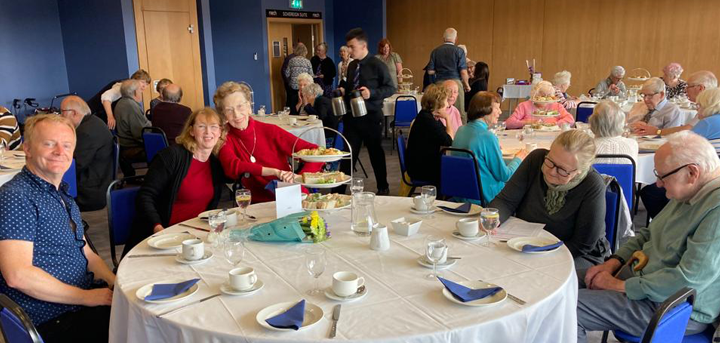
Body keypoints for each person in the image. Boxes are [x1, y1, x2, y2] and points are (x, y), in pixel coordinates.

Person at [576, 131, 720, 342]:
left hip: (674, 307)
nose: (658, 184)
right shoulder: (690, 190)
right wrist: (613, 263)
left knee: (567, 307)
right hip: (644, 283)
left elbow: (686, 281)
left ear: (692, 172)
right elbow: (647, 234)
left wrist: (618, 285)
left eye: (662, 177)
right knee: (561, 282)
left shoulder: (715, 208)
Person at [0, 114, 115, 342]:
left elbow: (88, 254)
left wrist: (115, 283)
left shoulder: (62, 195)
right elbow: (17, 275)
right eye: (49, 143)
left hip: (81, 303)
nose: (59, 151)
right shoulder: (16, 197)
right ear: (28, 149)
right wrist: (87, 297)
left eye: (67, 145)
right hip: (53, 319)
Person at [488, 130, 610, 269]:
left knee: (531, 277)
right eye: (550, 161)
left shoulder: (592, 184)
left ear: (579, 171)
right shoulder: (536, 160)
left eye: (562, 170)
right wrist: (492, 218)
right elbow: (506, 201)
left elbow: (583, 244)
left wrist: (540, 256)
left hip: (575, 254)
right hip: (527, 243)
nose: (551, 172)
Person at [123, 108, 228, 254]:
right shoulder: (171, 157)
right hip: (164, 238)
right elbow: (145, 196)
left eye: (213, 127)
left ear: (220, 132)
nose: (208, 132)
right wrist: (159, 229)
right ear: (191, 131)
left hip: (195, 239)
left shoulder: (215, 164)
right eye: (201, 126)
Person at [216, 82, 322, 203]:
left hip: (290, 195)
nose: (236, 114)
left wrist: (301, 177)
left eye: (240, 106)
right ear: (223, 115)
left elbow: (316, 151)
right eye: (229, 110)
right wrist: (273, 172)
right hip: (255, 204)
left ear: (249, 107)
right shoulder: (224, 138)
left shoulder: (270, 131)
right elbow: (232, 167)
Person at [338, 28, 396, 195]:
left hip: (371, 116)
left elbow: (391, 88)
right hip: (352, 117)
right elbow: (351, 87)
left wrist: (372, 93)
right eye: (348, 47)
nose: (349, 50)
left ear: (363, 46)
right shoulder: (352, 65)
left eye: (352, 47)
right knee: (348, 154)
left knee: (375, 153)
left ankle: (383, 188)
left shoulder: (378, 65)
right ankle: (340, 191)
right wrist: (344, 90)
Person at [453, 92, 528, 204]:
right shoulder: (487, 137)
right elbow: (505, 175)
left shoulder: (461, 130)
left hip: (461, 193)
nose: (500, 112)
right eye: (497, 108)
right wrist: (519, 158)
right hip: (486, 196)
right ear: (485, 110)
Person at [59, 96, 114, 211]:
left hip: (89, 191)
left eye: (62, 112)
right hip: (98, 182)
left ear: (73, 113)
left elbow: (74, 166)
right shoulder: (93, 123)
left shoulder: (86, 132)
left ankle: (65, 226)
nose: (60, 116)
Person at [631, 71, 717, 137]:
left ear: (700, 88)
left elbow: (686, 131)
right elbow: (687, 128)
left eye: (688, 86)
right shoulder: (708, 108)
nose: (685, 89)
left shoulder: (709, 114)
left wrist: (657, 131)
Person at [405, 84, 454, 187]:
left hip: (422, 163)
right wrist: (448, 118)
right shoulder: (427, 120)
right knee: (456, 170)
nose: (447, 105)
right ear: (438, 103)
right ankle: (446, 198)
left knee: (453, 166)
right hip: (421, 169)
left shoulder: (427, 115)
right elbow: (449, 141)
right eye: (446, 101)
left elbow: (445, 134)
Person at [427, 28, 470, 123]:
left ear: (443, 38)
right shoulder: (459, 51)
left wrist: (440, 70)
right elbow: (463, 71)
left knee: (439, 109)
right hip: (456, 83)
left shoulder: (435, 51)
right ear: (456, 38)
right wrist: (467, 85)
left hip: (440, 84)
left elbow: (430, 71)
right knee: (459, 112)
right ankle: (459, 133)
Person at [115, 79, 151, 176]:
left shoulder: (121, 102)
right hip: (132, 147)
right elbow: (140, 133)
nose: (141, 92)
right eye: (140, 90)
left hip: (125, 145)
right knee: (164, 149)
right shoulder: (130, 105)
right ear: (135, 92)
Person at [505, 81, 575, 129]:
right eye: (543, 95)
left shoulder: (557, 106)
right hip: (529, 136)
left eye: (549, 96)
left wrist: (555, 124)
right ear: (535, 95)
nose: (546, 98)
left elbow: (570, 120)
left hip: (551, 136)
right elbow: (509, 123)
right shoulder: (524, 106)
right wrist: (527, 122)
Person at [589, 100, 639, 164]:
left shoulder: (587, 148)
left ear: (593, 122)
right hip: (622, 174)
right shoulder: (632, 144)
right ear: (621, 122)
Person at [285, 43, 313, 113]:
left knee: (293, 104)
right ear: (305, 51)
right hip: (305, 87)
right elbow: (311, 75)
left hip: (293, 86)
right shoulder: (307, 61)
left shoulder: (291, 60)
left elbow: (287, 74)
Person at [692, 88, 720, 153]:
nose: (696, 109)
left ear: (709, 106)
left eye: (699, 105)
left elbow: (684, 143)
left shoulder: (708, 122)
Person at [281, 42, 299, 109]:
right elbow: (284, 71)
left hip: (295, 84)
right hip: (291, 85)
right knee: (291, 101)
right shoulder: (290, 58)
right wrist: (288, 82)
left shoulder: (296, 57)